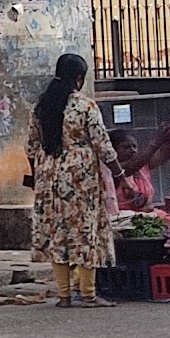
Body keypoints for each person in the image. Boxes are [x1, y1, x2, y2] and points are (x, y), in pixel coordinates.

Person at [27, 53, 124, 308]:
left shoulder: (41, 106)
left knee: (57, 232)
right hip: (80, 177)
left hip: (48, 174)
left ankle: (64, 295)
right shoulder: (85, 107)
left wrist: (38, 177)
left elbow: (31, 147)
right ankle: (88, 294)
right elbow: (103, 146)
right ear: (79, 79)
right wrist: (120, 174)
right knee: (85, 231)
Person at [106, 128, 170, 213]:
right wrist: (157, 141)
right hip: (123, 218)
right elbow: (132, 166)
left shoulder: (142, 167)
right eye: (126, 147)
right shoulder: (110, 171)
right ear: (113, 151)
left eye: (134, 146)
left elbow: (164, 153)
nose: (133, 150)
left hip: (150, 215)